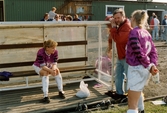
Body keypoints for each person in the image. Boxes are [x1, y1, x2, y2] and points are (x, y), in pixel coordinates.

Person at [126, 10, 158, 113]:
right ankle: (142, 110)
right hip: (144, 69)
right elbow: (153, 51)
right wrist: (152, 64)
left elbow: (138, 51)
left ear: (134, 19)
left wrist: (149, 65)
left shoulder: (134, 32)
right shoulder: (146, 33)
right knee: (138, 93)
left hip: (137, 69)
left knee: (132, 104)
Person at [108, 8, 132, 99]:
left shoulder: (126, 26)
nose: (117, 20)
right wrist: (111, 20)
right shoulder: (121, 25)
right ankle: (119, 93)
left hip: (127, 57)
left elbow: (118, 39)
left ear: (124, 16)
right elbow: (107, 19)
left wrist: (113, 27)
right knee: (118, 75)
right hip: (121, 55)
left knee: (129, 77)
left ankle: (130, 95)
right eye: (115, 18)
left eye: (118, 18)